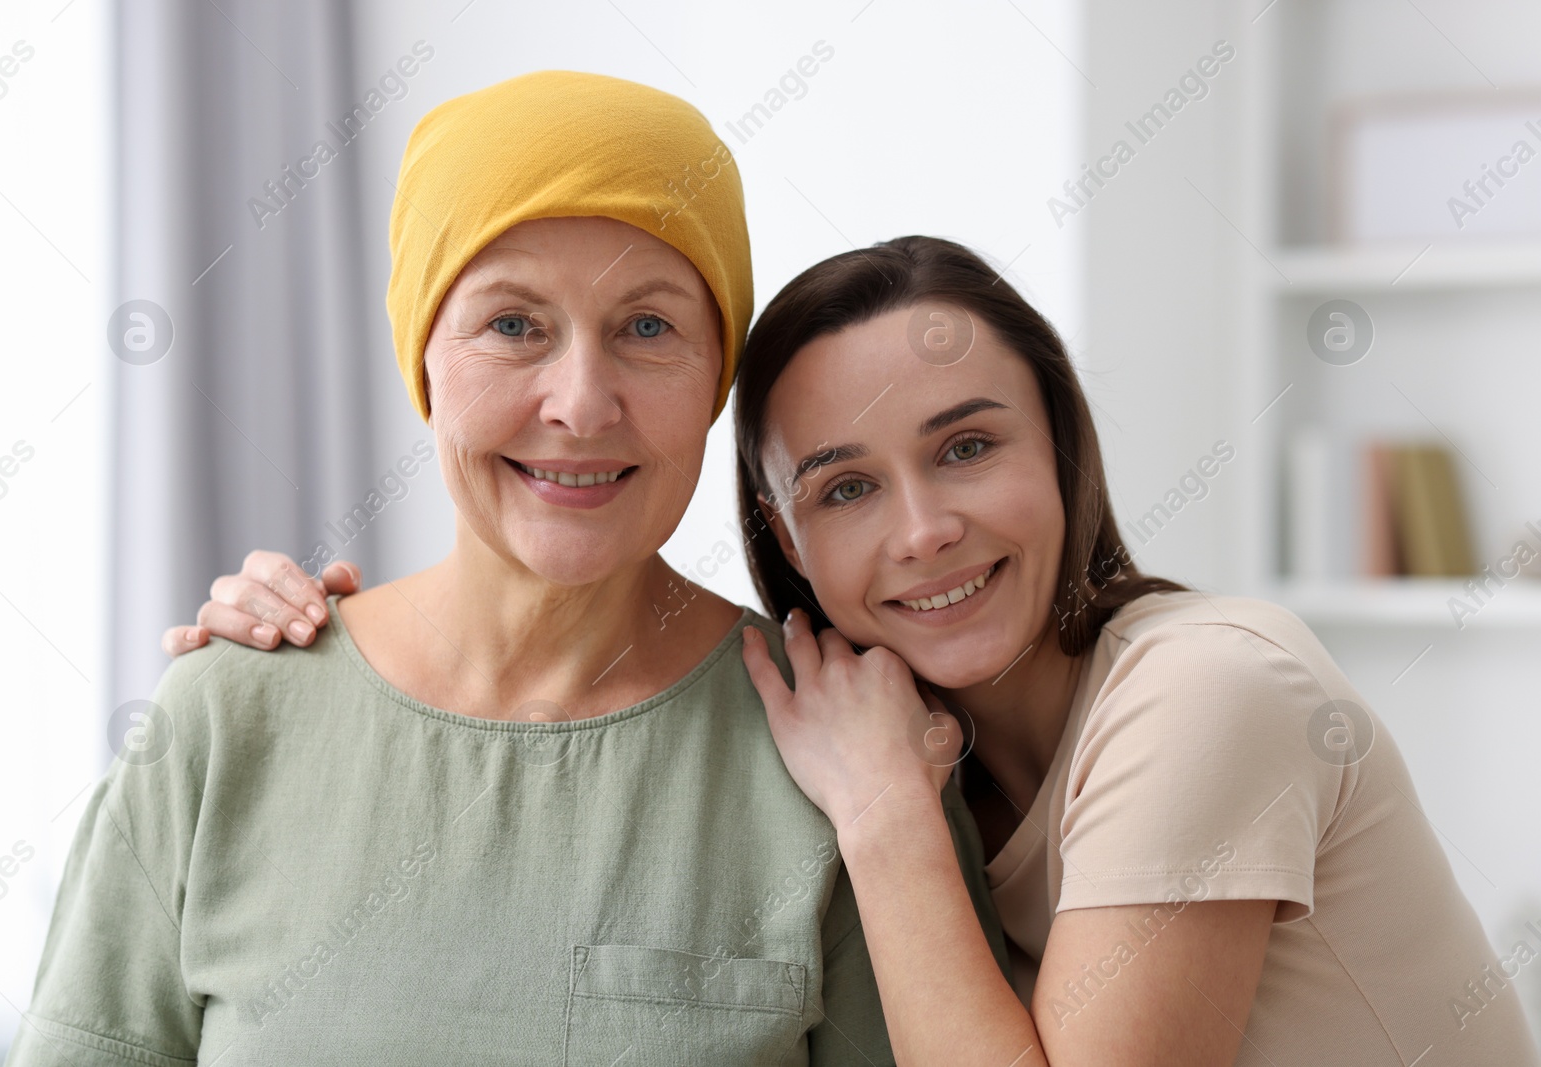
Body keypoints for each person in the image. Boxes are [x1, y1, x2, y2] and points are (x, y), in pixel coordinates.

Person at [184, 235, 1541, 1067]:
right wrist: (307, 641)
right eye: (844, 486)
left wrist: (887, 813)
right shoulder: (909, 735)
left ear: (1061, 445)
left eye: (966, 445)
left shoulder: (1207, 689)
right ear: (784, 534)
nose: (922, 530)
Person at [6, 76, 1009, 1066]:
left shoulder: (849, 749)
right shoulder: (223, 718)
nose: (580, 401)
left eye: (648, 326)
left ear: (714, 377)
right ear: (424, 360)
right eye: (514, 324)